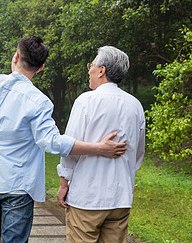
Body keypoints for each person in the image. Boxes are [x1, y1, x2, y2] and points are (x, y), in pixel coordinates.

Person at [0, 36, 127, 243]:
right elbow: (52, 142)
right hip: (18, 188)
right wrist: (99, 148)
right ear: (40, 68)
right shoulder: (39, 102)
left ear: (15, 57)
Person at [56, 46, 145, 243]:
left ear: (101, 70)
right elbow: (137, 155)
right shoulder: (135, 105)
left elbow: (69, 147)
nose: (89, 70)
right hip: (120, 199)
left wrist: (64, 184)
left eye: (92, 65)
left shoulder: (86, 101)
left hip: (87, 198)